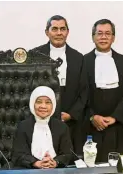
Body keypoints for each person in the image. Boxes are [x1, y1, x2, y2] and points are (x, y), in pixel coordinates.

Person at [31, 15, 87, 154]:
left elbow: (84, 91)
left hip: (70, 121)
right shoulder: (35, 55)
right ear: (47, 32)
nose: (59, 33)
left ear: (68, 32)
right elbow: (30, 88)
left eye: (62, 29)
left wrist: (71, 114)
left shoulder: (78, 58)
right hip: (41, 119)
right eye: (54, 29)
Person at [82, 19, 123, 161]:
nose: (103, 37)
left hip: (117, 126)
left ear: (113, 37)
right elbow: (81, 94)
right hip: (90, 126)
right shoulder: (83, 62)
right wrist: (92, 116)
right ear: (93, 37)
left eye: (107, 34)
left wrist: (115, 117)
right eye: (99, 33)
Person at [12, 86, 74, 169]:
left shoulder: (62, 127)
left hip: (56, 172)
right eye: (39, 102)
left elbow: (67, 154)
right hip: (29, 172)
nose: (43, 106)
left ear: (53, 105)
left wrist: (55, 162)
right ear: (32, 103)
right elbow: (18, 154)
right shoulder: (23, 126)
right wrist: (35, 163)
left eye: (48, 102)